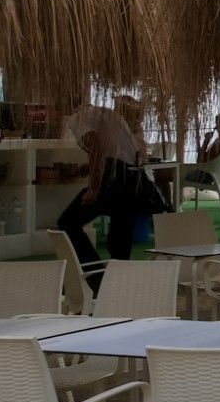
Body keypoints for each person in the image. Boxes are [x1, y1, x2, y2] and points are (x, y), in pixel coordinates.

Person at [57, 96, 152, 280]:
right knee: (119, 244)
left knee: (68, 222)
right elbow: (116, 153)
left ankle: (96, 278)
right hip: (134, 179)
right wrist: (86, 169)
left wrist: (93, 188)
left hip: (117, 180)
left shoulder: (78, 118)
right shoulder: (106, 114)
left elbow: (98, 150)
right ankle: (117, 292)